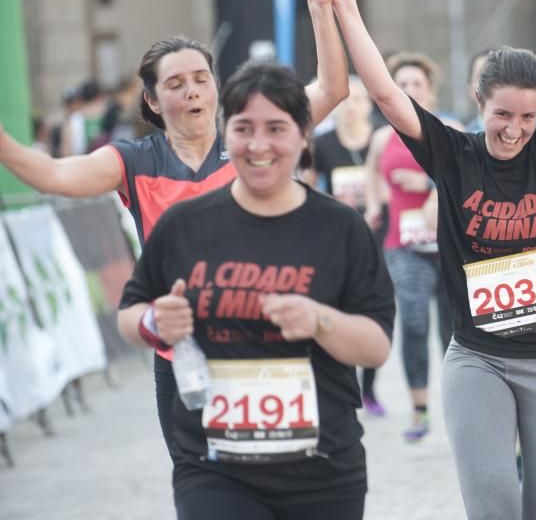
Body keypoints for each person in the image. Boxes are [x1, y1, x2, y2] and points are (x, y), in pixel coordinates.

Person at [0, 0, 349, 456]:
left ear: (217, 86)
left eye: (201, 80)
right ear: (152, 101)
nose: (192, 93)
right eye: (176, 84)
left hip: (265, 345)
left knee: (279, 477)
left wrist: (321, 8)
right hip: (182, 355)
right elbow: (52, 175)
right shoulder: (134, 162)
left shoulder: (255, 136)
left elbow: (333, 88)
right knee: (203, 486)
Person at [316, 0, 536, 519]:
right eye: (503, 115)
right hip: (480, 359)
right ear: (480, 103)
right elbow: (384, 92)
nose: (515, 130)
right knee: (495, 506)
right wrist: (346, 6)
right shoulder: (455, 155)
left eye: (528, 117)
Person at [117, 62, 395, 520]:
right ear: (227, 133)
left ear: (304, 135)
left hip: (321, 467)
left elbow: (376, 347)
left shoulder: (341, 229)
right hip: (214, 464)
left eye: (276, 128)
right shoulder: (184, 225)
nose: (259, 144)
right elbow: (131, 313)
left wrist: (319, 319)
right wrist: (153, 322)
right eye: (244, 128)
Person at [361, 51, 457, 441]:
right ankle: (419, 410)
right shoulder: (383, 137)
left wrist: (430, 185)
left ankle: (460, 408)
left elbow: (469, 177)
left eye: (417, 84)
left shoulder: (449, 128)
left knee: (454, 331)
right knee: (414, 320)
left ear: (431, 92)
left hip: (450, 244)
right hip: (402, 242)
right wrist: (372, 204)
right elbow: (370, 173)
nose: (409, 90)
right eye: (401, 84)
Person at [309, 74, 389, 416]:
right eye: (345, 100)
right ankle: (344, 386)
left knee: (375, 313)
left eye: (357, 100)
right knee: (340, 312)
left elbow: (391, 188)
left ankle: (369, 389)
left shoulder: (381, 140)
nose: (351, 107)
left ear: (369, 105)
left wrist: (375, 200)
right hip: (336, 240)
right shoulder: (322, 144)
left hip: (379, 236)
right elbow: (307, 189)